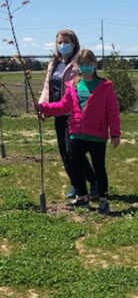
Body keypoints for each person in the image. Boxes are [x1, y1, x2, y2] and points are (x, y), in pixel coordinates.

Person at [36, 49, 119, 215]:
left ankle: (103, 199)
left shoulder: (105, 86)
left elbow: (113, 112)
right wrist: (43, 107)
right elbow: (62, 106)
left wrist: (115, 134)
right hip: (76, 133)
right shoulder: (73, 86)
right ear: (77, 67)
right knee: (76, 165)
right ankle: (82, 196)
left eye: (89, 64)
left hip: (97, 136)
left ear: (95, 64)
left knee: (99, 167)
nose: (86, 67)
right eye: (82, 64)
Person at [37, 29, 96, 199]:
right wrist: (43, 106)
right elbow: (47, 87)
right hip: (57, 112)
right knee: (64, 152)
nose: (63, 45)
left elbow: (84, 84)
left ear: (74, 43)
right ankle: (76, 185)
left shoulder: (79, 63)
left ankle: (93, 181)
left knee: (73, 151)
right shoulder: (54, 64)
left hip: (73, 112)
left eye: (66, 42)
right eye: (60, 42)